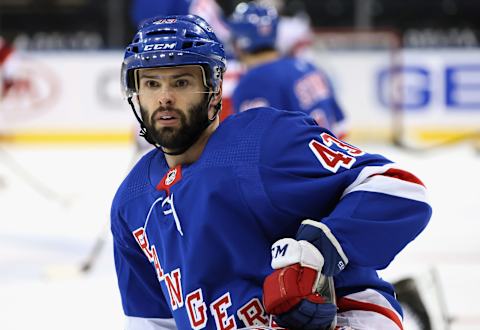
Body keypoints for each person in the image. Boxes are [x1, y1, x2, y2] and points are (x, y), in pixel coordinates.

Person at [111, 14, 432, 330]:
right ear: (136, 92)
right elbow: (152, 321)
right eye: (152, 83)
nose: (165, 97)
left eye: (181, 82)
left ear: (214, 86)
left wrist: (320, 248)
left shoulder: (260, 142)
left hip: (344, 318)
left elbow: (402, 190)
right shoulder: (131, 203)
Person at [229, 2, 348, 139]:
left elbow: (253, 143)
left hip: (298, 159)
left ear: (238, 43)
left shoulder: (252, 82)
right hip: (327, 156)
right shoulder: (309, 67)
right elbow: (342, 127)